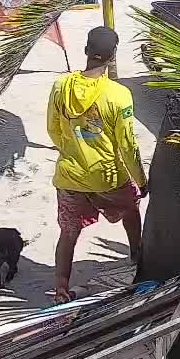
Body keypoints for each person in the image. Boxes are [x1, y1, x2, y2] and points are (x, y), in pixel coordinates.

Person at [48, 26, 148, 303]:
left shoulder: (61, 86)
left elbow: (53, 130)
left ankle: (60, 288)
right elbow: (127, 145)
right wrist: (140, 180)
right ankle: (136, 253)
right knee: (131, 209)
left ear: (85, 51)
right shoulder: (118, 95)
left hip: (69, 174)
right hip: (107, 175)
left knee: (68, 233)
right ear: (112, 56)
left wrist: (73, 151)